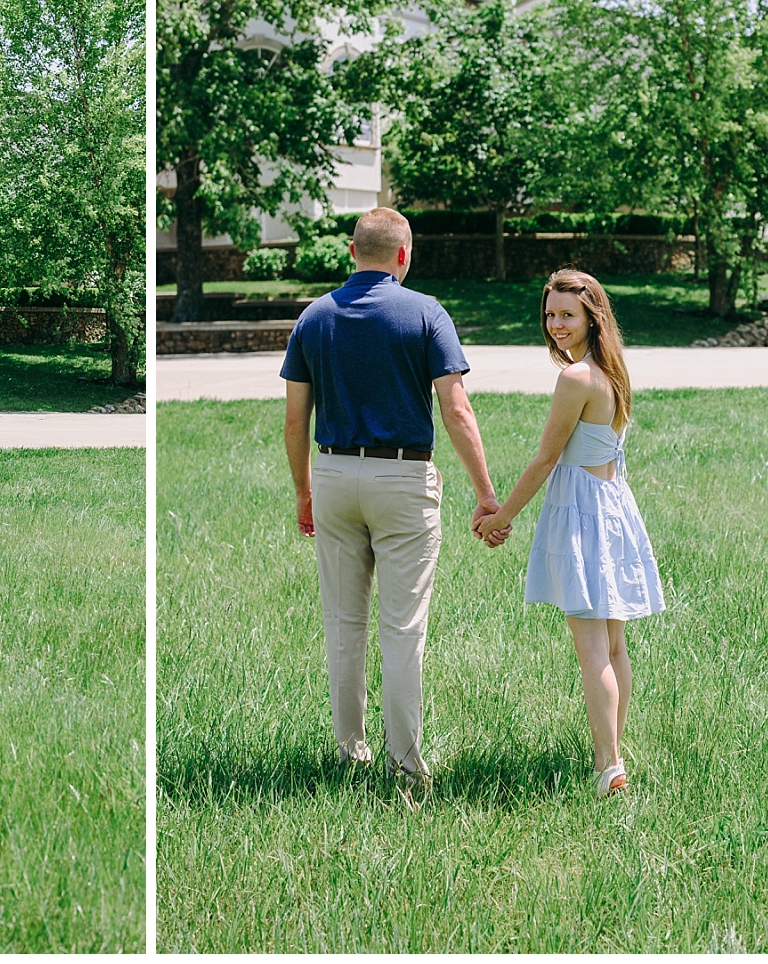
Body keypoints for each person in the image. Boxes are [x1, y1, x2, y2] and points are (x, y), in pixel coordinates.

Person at [281, 207, 505, 780]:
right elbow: (456, 409)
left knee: (343, 624)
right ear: (404, 256)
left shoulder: (314, 317)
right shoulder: (426, 312)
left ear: (351, 252)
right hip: (403, 478)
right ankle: (405, 764)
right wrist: (486, 494)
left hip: (332, 476)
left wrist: (304, 491)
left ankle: (349, 752)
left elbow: (294, 420)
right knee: (402, 630)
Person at [474, 269, 665, 797]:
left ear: (591, 318)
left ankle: (609, 764)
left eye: (567, 315)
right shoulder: (613, 370)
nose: (556, 324)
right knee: (614, 646)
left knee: (594, 650)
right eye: (551, 314)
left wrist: (501, 516)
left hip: (584, 511)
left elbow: (543, 461)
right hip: (612, 508)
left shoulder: (577, 377)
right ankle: (614, 754)